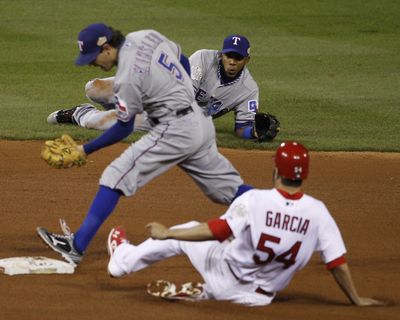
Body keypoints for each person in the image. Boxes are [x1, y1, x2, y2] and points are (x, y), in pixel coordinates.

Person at [37, 23, 253, 265]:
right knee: (227, 189)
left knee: (115, 175)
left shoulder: (127, 78)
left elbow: (124, 127)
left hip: (175, 130)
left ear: (107, 48)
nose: (91, 63)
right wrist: (178, 93)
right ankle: (278, 209)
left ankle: (76, 246)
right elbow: (180, 58)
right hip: (200, 122)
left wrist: (84, 150)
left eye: (92, 57)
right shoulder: (146, 36)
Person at [105, 141, 385, 307]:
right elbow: (336, 262)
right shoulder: (318, 212)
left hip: (226, 275)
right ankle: (206, 293)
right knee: (237, 248)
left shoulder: (255, 199)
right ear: (304, 175)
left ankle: (122, 261)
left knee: (186, 231)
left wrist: (168, 232)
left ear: (276, 170)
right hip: (260, 298)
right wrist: (356, 299)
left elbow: (218, 230)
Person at [47, 34, 264, 139]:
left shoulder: (248, 89)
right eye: (229, 56)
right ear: (221, 54)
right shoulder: (204, 60)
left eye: (238, 58)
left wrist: (255, 132)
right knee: (92, 88)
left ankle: (80, 113)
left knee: (98, 123)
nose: (232, 61)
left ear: (247, 60)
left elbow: (242, 128)